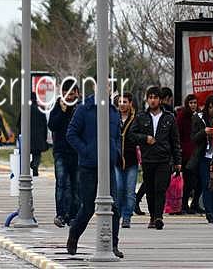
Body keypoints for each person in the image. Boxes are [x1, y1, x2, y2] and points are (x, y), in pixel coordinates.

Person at [66, 91, 123, 258]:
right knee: (88, 207)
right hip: (88, 165)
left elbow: (117, 136)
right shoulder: (85, 109)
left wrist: (116, 152)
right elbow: (71, 134)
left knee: (114, 206)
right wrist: (86, 151)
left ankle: (112, 245)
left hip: (109, 165)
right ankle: (74, 235)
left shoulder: (113, 110)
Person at [129, 86, 182, 230]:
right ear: (147, 99)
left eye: (155, 97)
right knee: (150, 190)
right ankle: (152, 216)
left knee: (160, 188)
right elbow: (131, 135)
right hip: (148, 159)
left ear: (160, 100)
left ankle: (159, 216)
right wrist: (145, 138)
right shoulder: (141, 117)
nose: (152, 100)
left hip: (164, 159)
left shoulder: (169, 118)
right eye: (150, 97)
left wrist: (178, 162)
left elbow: (175, 141)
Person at [47, 79, 80, 228]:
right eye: (66, 92)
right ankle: (61, 214)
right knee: (62, 183)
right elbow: (52, 125)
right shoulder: (58, 106)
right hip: (61, 152)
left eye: (72, 92)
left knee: (76, 185)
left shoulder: (81, 108)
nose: (69, 95)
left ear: (77, 93)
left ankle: (73, 216)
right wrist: (63, 110)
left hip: (78, 152)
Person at [190, 95, 213, 223]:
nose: (211, 111)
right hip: (204, 156)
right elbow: (194, 137)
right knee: (207, 184)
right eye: (209, 108)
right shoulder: (198, 118)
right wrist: (204, 132)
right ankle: (209, 212)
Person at [115, 92, 139, 228]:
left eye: (125, 102)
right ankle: (117, 214)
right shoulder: (113, 117)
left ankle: (127, 216)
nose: (122, 104)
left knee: (130, 190)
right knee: (118, 188)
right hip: (116, 159)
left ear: (130, 103)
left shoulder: (136, 118)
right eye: (120, 102)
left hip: (131, 160)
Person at [176, 94, 201, 215]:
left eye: (195, 103)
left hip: (196, 153)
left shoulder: (199, 116)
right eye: (191, 103)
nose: (193, 105)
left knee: (195, 181)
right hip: (186, 154)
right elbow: (177, 134)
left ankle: (192, 203)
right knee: (188, 181)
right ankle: (184, 204)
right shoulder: (182, 116)